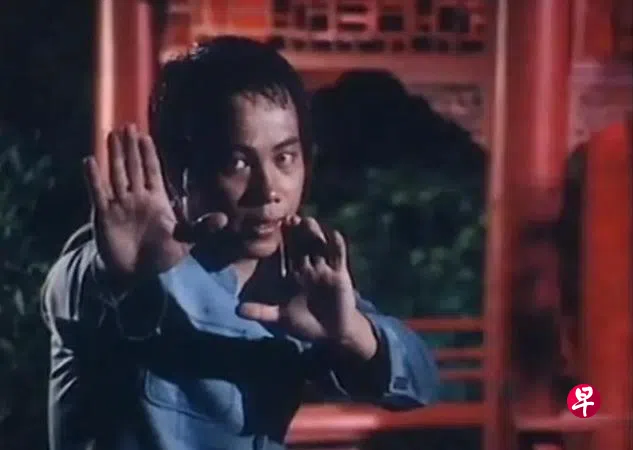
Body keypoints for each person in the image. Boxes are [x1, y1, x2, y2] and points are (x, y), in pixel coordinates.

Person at [42, 36, 439, 450]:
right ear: (179, 168)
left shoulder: (295, 276)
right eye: (238, 162)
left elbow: (421, 384)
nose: (269, 190)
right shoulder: (132, 255)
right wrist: (117, 277)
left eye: (284, 158)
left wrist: (350, 330)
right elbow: (66, 298)